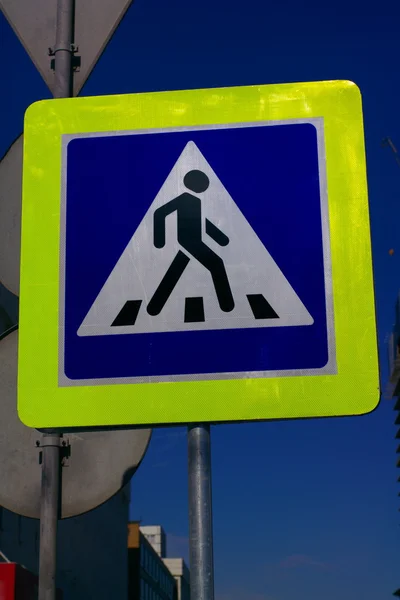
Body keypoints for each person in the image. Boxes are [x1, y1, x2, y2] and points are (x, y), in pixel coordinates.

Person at [147, 169, 235, 316]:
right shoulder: (183, 199)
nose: (205, 185)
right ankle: (227, 306)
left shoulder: (196, 201)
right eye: (203, 182)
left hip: (192, 241)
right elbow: (160, 213)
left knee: (175, 270)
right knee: (216, 264)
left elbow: (203, 223)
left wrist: (221, 238)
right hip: (188, 242)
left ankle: (154, 308)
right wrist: (159, 241)